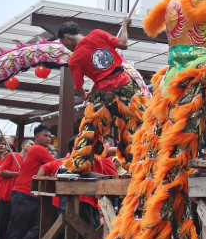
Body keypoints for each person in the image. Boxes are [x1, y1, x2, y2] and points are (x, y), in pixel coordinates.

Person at [58, 19, 148, 175]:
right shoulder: (97, 34)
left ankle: (80, 164)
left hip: (103, 90)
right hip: (125, 84)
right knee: (133, 125)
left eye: (63, 43)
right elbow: (124, 44)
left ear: (66, 36)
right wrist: (125, 25)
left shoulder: (75, 59)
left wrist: (86, 95)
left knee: (90, 128)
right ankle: (136, 164)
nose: (65, 46)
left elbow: (79, 88)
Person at [2, 124, 56, 239]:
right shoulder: (38, 149)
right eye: (45, 136)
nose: (48, 139)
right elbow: (55, 165)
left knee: (36, 230)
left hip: (30, 195)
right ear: (36, 137)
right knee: (19, 229)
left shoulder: (40, 150)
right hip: (24, 194)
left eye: (50, 136)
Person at [0, 139, 31, 239]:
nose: (32, 147)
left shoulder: (31, 161)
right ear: (23, 145)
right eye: (30, 144)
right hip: (6, 196)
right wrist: (18, 173)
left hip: (21, 197)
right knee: (3, 225)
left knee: (17, 228)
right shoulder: (12, 156)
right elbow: (2, 172)